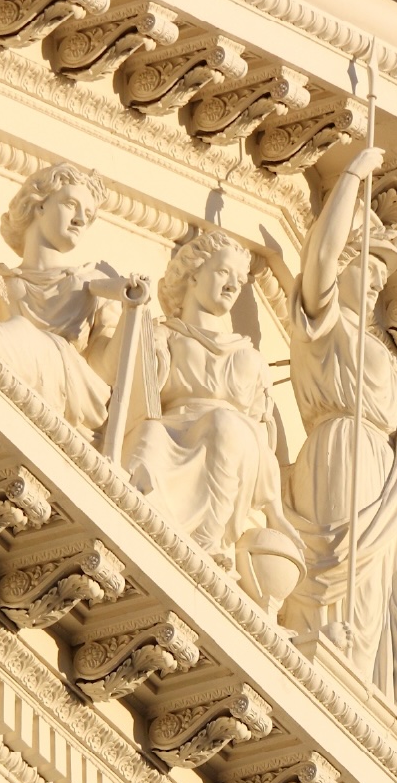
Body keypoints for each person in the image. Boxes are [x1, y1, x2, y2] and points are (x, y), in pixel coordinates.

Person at [283, 146, 397, 759]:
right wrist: (356, 175)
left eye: (384, 276)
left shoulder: (391, 362)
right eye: (369, 269)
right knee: (355, 590)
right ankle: (348, 692)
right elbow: (320, 259)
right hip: (340, 450)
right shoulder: (327, 325)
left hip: (388, 481)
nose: (377, 282)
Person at [125, 230, 300, 578]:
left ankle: (208, 540)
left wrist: (275, 511)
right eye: (224, 273)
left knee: (226, 425)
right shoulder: (164, 334)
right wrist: (134, 317)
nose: (234, 286)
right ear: (193, 275)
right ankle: (138, 514)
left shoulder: (249, 356)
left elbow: (264, 438)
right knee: (147, 437)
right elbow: (139, 396)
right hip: (174, 429)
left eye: (240, 280)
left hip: (236, 446)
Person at [0, 162, 147, 441]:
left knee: (21, 331)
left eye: (89, 214)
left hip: (66, 381)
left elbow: (104, 369)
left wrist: (132, 312)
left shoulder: (94, 283)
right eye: (72, 204)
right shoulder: (2, 280)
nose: (81, 220)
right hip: (11, 359)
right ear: (39, 205)